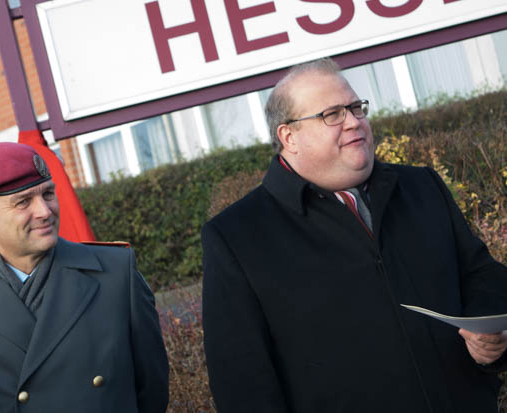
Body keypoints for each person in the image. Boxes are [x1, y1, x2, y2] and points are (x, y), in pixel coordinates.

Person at [201, 58, 507, 412]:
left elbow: (481, 275)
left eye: (356, 107)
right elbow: (242, 382)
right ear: (289, 137)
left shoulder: (421, 186)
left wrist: (490, 337)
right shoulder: (237, 236)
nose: (353, 121)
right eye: (332, 114)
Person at [0, 142, 169, 412]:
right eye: (23, 202)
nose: (45, 211)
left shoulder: (114, 273)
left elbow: (153, 390)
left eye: (48, 194)